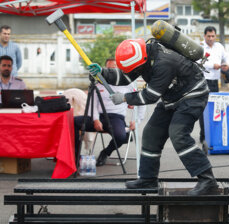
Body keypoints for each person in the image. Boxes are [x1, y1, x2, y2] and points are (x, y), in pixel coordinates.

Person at [88, 38, 218, 195]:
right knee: (150, 134)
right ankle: (148, 180)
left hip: (193, 96)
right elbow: (125, 77)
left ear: (142, 60)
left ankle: (208, 180)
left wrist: (124, 98)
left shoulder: (164, 62)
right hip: (172, 97)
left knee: (178, 134)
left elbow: (150, 96)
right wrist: (103, 72)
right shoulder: (143, 56)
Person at [74, 58, 145, 166]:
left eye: (114, 68)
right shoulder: (99, 83)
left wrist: (137, 121)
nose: (111, 71)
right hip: (97, 116)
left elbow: (141, 102)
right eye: (109, 68)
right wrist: (96, 119)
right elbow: (93, 104)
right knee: (71, 122)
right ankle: (75, 155)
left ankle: (106, 153)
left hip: (116, 117)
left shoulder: (128, 84)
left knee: (121, 136)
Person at [198, 26, 229, 143]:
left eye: (213, 36)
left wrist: (227, 64)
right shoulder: (200, 47)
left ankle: (212, 134)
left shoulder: (219, 46)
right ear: (204, 36)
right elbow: (198, 61)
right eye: (209, 36)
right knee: (203, 108)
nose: (211, 38)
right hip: (203, 81)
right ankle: (203, 134)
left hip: (214, 82)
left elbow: (228, 56)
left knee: (214, 108)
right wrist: (213, 65)